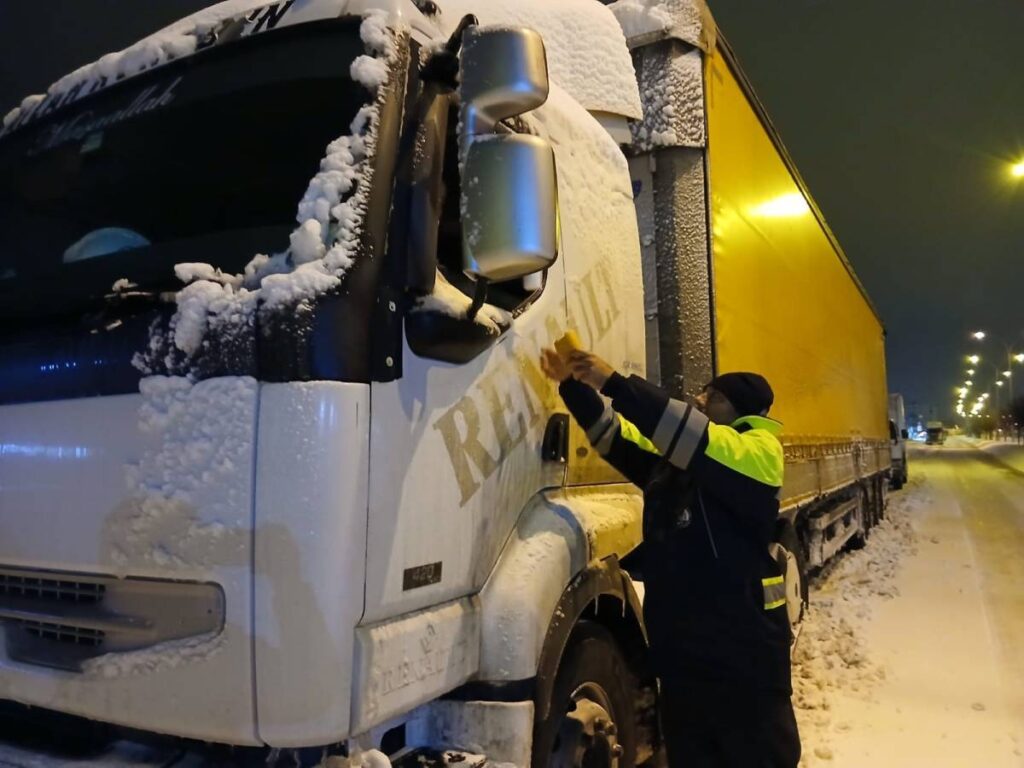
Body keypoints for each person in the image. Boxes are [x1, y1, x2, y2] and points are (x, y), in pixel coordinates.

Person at [540, 345, 800, 768]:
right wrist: (573, 386)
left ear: (741, 411)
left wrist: (614, 383)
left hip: (742, 667)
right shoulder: (683, 464)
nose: (699, 400)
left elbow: (695, 437)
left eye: (712, 397)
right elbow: (616, 438)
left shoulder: (759, 453)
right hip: (685, 660)